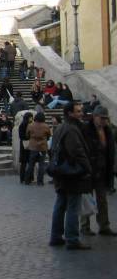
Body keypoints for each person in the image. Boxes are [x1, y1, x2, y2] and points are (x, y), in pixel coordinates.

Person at [49, 102, 93, 250]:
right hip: (71, 173)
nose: (81, 113)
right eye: (78, 111)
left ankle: (55, 236)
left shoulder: (60, 127)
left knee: (60, 204)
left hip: (60, 172)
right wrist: (87, 168)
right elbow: (77, 152)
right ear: (70, 113)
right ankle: (72, 239)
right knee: (73, 206)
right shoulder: (72, 130)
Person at [80, 106, 117, 236]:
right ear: (95, 117)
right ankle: (85, 226)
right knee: (86, 199)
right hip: (89, 170)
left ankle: (104, 225)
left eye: (106, 119)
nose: (104, 121)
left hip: (102, 170)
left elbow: (110, 151)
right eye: (102, 118)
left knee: (102, 200)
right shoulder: (85, 129)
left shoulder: (108, 130)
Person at [24, 112, 51, 185]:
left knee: (31, 164)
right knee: (41, 165)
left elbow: (27, 135)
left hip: (33, 146)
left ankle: (27, 180)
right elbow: (49, 135)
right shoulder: (46, 126)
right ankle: (40, 181)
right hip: (42, 147)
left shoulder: (30, 125)